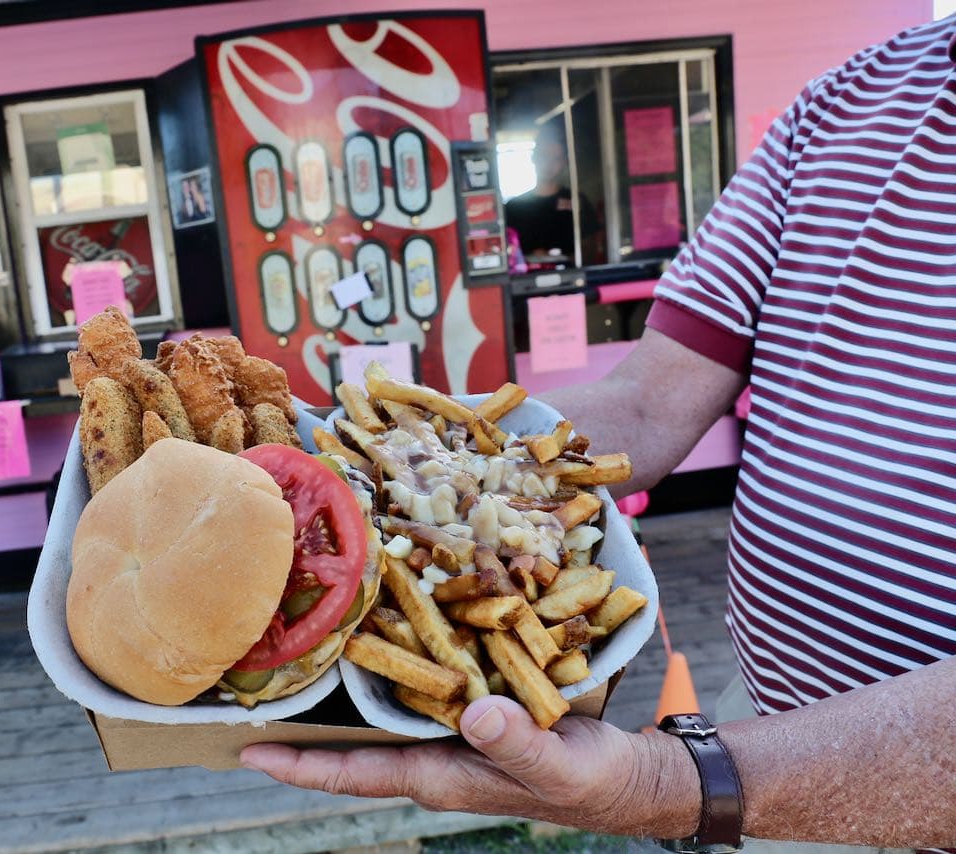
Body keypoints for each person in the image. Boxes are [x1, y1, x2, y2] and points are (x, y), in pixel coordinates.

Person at [241, 15, 956, 852]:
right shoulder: (847, 99)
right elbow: (649, 401)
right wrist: (398, 458)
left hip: (785, 785)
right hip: (761, 733)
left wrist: (671, 784)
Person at [503, 121, 601, 266]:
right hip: (525, 283)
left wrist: (559, 260)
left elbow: (591, 250)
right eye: (543, 156)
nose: (548, 163)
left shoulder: (577, 201)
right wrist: (530, 260)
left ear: (565, 162)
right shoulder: (513, 207)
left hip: (571, 281)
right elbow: (505, 255)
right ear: (533, 158)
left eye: (555, 158)